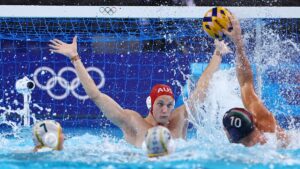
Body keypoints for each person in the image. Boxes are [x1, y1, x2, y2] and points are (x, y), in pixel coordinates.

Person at [49, 36, 231, 147]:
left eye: (169, 104)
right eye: (160, 104)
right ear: (151, 104)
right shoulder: (132, 122)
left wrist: (218, 54)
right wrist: (74, 57)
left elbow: (202, 87)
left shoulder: (180, 118)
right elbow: (96, 95)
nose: (166, 110)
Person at [221, 14, 288, 147]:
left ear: (229, 135)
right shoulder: (266, 124)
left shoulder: (235, 150)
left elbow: (245, 81)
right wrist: (238, 44)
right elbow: (246, 81)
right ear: (253, 121)